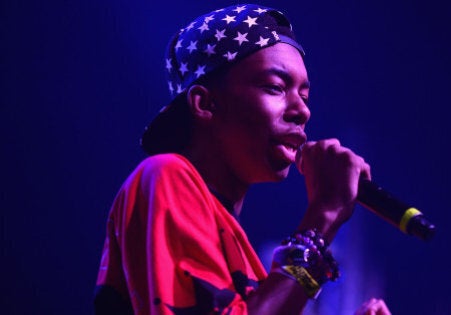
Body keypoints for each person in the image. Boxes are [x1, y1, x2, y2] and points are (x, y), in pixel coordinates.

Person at [94, 4, 391, 315]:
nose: (303, 111)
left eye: (304, 97)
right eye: (276, 88)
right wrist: (324, 214)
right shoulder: (165, 174)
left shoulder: (244, 256)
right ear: (205, 103)